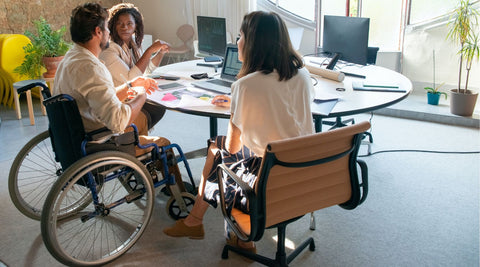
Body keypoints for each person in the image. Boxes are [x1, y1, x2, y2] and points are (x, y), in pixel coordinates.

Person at [163, 11, 315, 252]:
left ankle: (221, 229)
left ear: (253, 43)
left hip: (269, 175)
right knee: (223, 148)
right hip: (304, 169)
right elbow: (286, 110)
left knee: (217, 150)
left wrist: (239, 104)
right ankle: (202, 223)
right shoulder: (303, 75)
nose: (237, 42)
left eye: (240, 36)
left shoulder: (246, 85)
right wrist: (241, 103)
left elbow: (233, 148)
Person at [53, 2, 175, 159]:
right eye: (106, 28)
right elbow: (118, 121)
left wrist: (130, 86)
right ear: (98, 32)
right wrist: (141, 95)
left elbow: (99, 97)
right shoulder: (92, 68)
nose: (109, 32)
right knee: (165, 143)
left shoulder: (71, 57)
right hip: (100, 145)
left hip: (74, 139)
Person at [99, 3, 170, 134]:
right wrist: (150, 50)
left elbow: (145, 70)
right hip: (117, 103)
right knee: (155, 106)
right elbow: (131, 79)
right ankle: (136, 140)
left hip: (128, 97)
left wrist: (160, 53)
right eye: (119, 23)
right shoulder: (109, 50)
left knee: (159, 105)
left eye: (129, 24)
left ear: (136, 26)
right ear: (113, 25)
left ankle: (140, 138)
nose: (124, 27)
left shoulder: (132, 45)